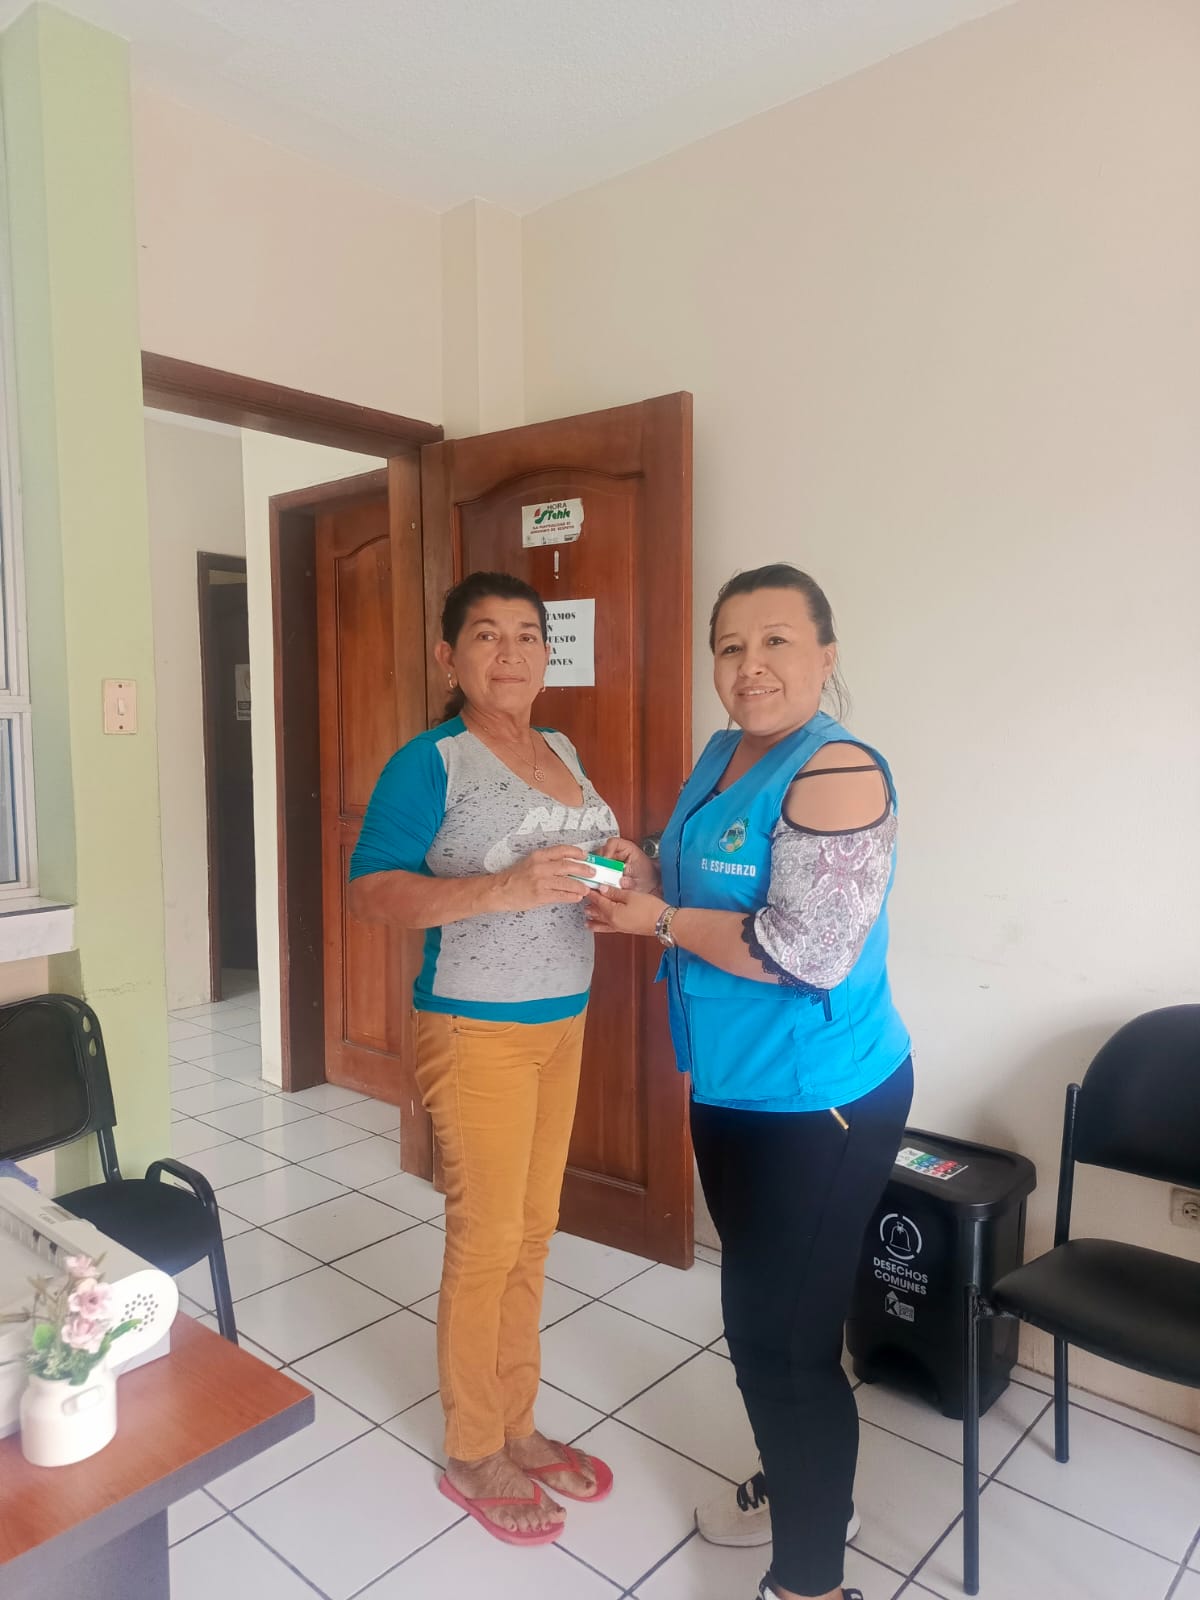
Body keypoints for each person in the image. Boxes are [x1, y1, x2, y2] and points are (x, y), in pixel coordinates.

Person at [586, 563, 912, 1600]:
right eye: (730, 646)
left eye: (777, 641)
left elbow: (806, 950)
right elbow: (703, 868)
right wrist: (643, 866)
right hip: (731, 1087)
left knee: (782, 1346)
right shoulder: (725, 752)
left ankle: (810, 1583)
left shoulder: (838, 770)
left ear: (826, 654)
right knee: (769, 1327)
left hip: (817, 1103)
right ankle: (809, 1488)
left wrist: (658, 920)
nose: (750, 665)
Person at [348, 570, 616, 1547]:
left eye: (527, 635)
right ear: (449, 656)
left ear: (548, 652)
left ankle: (518, 1424)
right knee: (488, 1234)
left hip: (563, 1020)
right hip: (474, 1028)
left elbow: (585, 859)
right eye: (487, 635)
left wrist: (619, 872)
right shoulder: (431, 762)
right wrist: (496, 891)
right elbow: (372, 890)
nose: (511, 653)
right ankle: (472, 1446)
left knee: (534, 1231)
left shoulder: (562, 749)